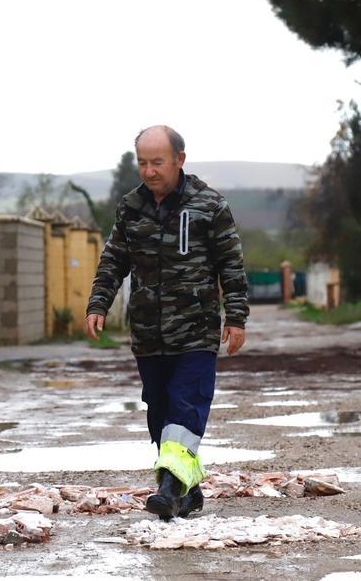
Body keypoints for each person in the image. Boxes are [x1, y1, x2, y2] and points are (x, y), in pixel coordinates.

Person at [85, 125, 248, 520]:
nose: (149, 170)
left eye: (157, 162)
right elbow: (114, 259)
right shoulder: (131, 206)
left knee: (186, 404)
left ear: (179, 159)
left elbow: (231, 263)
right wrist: (99, 304)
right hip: (147, 331)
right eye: (142, 162)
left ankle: (168, 488)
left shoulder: (209, 205)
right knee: (159, 409)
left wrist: (237, 317)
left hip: (196, 329)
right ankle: (185, 489)